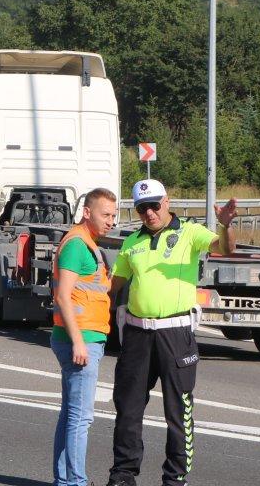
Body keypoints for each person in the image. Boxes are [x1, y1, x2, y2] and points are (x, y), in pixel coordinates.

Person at [106, 179, 237, 486]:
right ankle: (123, 475)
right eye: (142, 208)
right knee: (128, 408)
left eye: (154, 205)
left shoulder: (189, 233)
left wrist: (226, 225)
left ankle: (175, 477)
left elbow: (226, 249)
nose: (149, 213)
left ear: (166, 202)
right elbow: (113, 290)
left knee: (178, 411)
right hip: (137, 334)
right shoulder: (132, 242)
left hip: (175, 334)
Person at [51, 187, 118, 486]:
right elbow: (63, 296)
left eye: (114, 215)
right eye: (106, 215)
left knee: (70, 415)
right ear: (87, 212)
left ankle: (65, 481)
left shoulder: (87, 243)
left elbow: (96, 290)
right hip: (80, 341)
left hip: (83, 337)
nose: (111, 221)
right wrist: (79, 341)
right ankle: (75, 482)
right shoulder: (78, 245)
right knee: (81, 418)